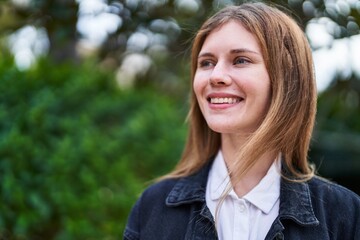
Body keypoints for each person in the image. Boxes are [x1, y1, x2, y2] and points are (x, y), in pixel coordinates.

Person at [123, 2, 360, 240]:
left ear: (286, 79)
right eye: (206, 62)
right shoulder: (152, 208)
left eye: (240, 60)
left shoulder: (345, 216)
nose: (216, 76)